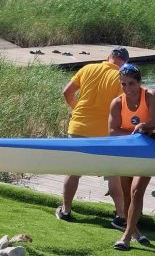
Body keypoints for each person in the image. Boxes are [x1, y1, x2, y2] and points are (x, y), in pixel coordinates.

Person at [56, 47, 131, 232]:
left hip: (78, 127)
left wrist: (76, 110)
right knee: (113, 175)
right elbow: (126, 106)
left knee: (73, 172)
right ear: (125, 62)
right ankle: (120, 216)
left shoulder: (88, 68)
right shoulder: (121, 78)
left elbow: (67, 92)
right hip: (106, 132)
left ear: (109, 57)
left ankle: (65, 210)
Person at [112, 64, 155, 251]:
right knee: (126, 194)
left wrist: (143, 126)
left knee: (136, 191)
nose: (127, 89)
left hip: (147, 151)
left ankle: (125, 237)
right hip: (127, 152)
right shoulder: (117, 102)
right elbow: (112, 131)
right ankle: (135, 231)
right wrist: (132, 133)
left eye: (131, 84)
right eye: (123, 84)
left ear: (139, 82)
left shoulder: (151, 95)